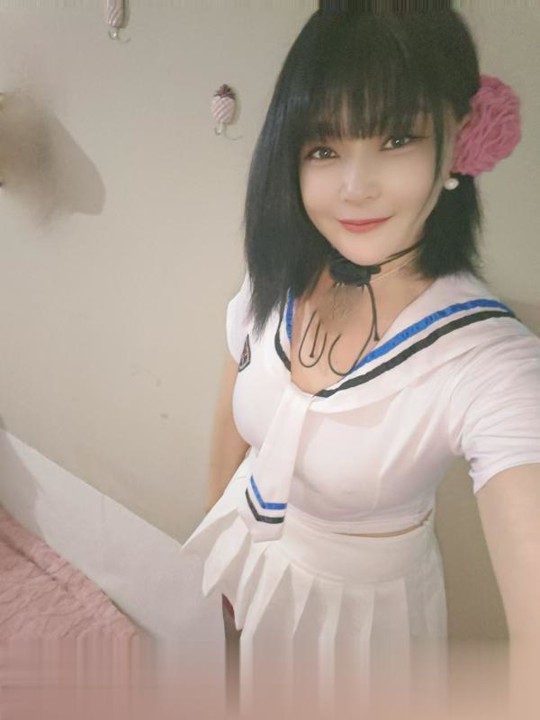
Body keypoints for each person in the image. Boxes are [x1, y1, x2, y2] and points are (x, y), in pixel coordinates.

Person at [182, 3, 540, 717]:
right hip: (252, 570)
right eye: (324, 148)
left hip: (366, 631)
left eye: (397, 138)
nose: (355, 186)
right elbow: (232, 422)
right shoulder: (274, 278)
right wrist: (226, 574)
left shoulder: (488, 359)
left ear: (458, 142)